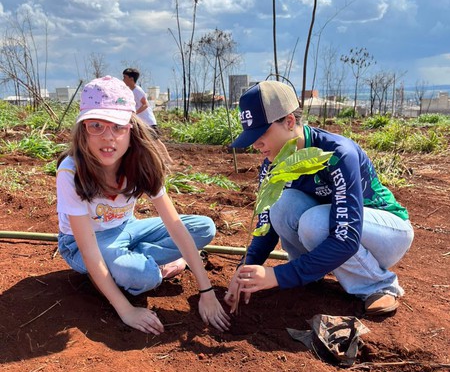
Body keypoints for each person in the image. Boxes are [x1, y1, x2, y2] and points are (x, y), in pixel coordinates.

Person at [56, 76, 230, 334]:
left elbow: (175, 224)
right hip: (83, 243)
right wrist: (126, 310)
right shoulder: (71, 172)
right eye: (96, 126)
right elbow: (89, 250)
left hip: (127, 227)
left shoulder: (141, 163)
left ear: (131, 128)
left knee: (204, 228)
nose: (108, 137)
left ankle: (132, 259)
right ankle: (144, 267)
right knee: (142, 277)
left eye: (118, 126)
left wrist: (207, 291)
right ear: (83, 129)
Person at [224, 80, 414, 316]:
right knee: (280, 207)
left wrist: (278, 275)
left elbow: (346, 236)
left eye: (261, 133)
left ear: (289, 121)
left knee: (315, 222)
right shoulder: (271, 165)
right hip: (334, 230)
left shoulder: (337, 154)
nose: (256, 144)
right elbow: (267, 226)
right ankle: (309, 276)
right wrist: (245, 269)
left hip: (385, 233)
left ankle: (378, 285)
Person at [122, 67, 173, 164]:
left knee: (156, 141)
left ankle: (167, 160)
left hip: (148, 121)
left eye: (125, 77)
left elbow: (145, 104)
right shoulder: (129, 91)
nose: (123, 79)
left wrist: (134, 113)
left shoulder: (137, 91)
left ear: (131, 79)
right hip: (140, 122)